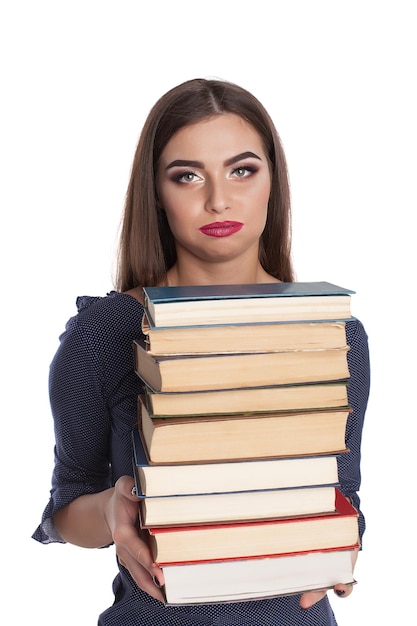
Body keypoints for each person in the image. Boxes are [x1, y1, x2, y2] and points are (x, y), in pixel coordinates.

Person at [33, 78, 370, 626]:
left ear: (273, 183)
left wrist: (341, 549)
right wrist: (112, 510)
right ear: (157, 193)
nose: (218, 199)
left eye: (242, 170)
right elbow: (66, 506)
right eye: (187, 176)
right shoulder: (104, 333)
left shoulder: (334, 337)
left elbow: (344, 489)